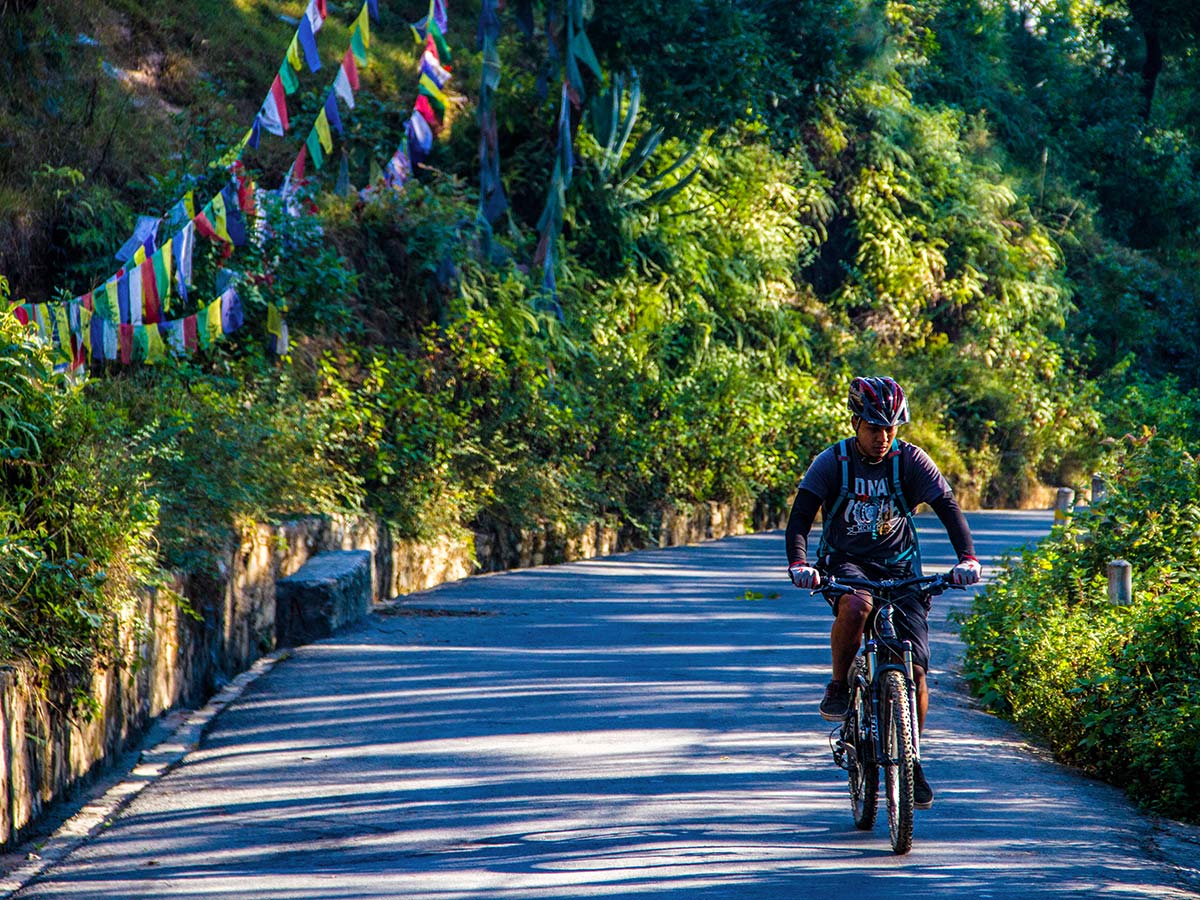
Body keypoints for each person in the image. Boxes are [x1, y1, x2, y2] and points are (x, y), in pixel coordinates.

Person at [785, 376, 981, 808]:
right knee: (856, 607)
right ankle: (839, 685)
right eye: (874, 428)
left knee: (915, 671)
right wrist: (800, 565)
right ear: (855, 422)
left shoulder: (910, 460)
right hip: (845, 562)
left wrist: (967, 557)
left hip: (900, 567)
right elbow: (800, 517)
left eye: (891, 428)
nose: (883, 437)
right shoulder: (832, 462)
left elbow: (948, 507)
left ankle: (910, 760)